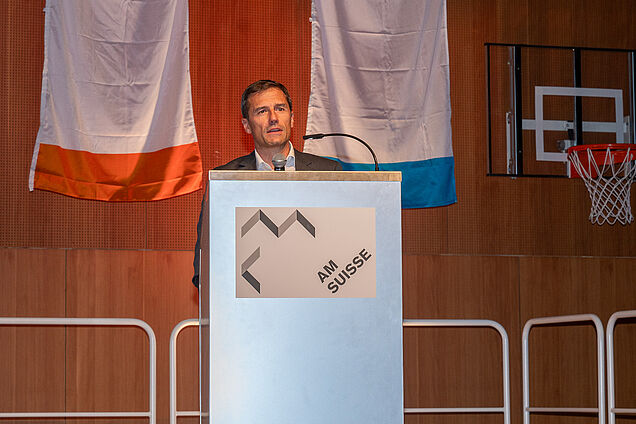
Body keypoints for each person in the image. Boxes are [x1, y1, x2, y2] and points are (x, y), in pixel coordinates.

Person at [192, 80, 342, 287]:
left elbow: (340, 242)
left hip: (315, 291)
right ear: (246, 125)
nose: (273, 118)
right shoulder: (225, 178)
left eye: (280, 109)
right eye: (262, 111)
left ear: (291, 118)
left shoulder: (327, 172)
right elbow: (206, 254)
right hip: (247, 295)